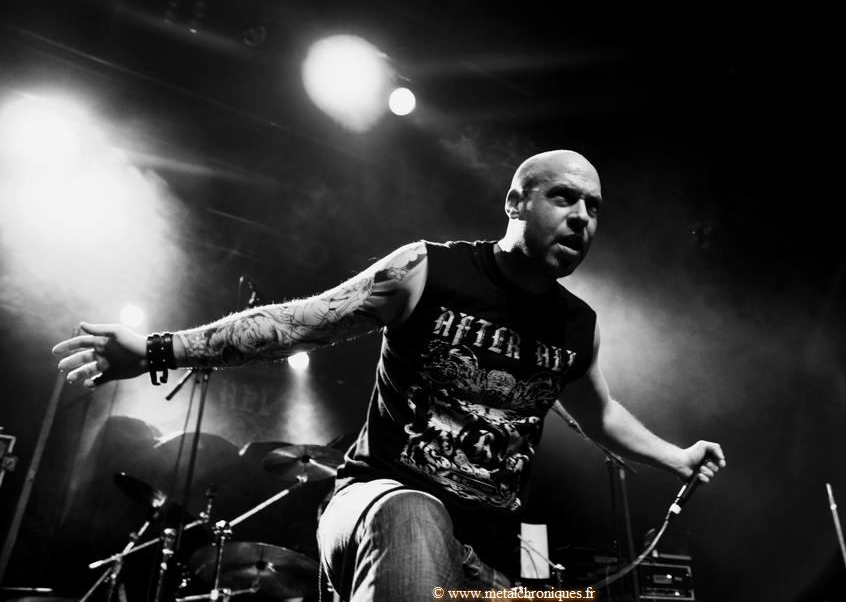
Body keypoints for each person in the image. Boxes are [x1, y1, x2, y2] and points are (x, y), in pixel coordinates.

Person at [53, 149, 726, 600]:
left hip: (489, 556)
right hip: (379, 503)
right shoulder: (429, 270)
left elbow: (600, 412)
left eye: (594, 207)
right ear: (516, 202)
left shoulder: (578, 326)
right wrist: (158, 349)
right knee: (413, 514)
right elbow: (297, 323)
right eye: (564, 197)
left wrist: (677, 456)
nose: (581, 217)